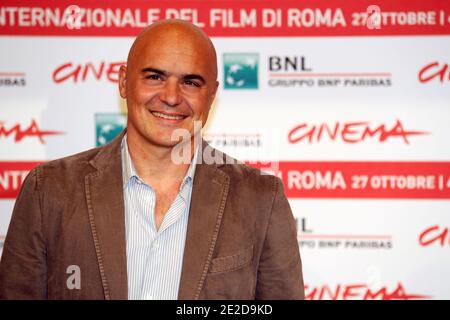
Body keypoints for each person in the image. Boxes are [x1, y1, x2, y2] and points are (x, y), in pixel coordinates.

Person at [0, 19, 304, 300]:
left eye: (191, 82)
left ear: (211, 95)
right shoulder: (49, 190)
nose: (171, 97)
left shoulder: (261, 199)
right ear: (123, 82)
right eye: (155, 76)